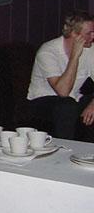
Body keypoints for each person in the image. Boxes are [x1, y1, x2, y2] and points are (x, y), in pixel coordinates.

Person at [26, 10, 94, 140]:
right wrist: (74, 57)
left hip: (73, 99)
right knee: (67, 106)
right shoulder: (48, 51)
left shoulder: (90, 49)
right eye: (89, 33)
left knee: (71, 104)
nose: (93, 36)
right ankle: (66, 149)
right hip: (42, 101)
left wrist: (93, 104)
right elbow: (63, 91)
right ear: (74, 34)